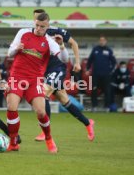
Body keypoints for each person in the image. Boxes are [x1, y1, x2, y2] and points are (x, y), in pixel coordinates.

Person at [5, 12, 70, 153]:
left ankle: (48, 138)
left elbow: (65, 59)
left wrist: (62, 45)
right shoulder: (23, 32)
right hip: (17, 76)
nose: (39, 29)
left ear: (48, 26)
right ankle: (13, 142)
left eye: (42, 26)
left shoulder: (50, 42)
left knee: (41, 112)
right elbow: (9, 53)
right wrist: (17, 49)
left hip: (35, 79)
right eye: (37, 25)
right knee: (12, 106)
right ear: (34, 22)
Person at [33, 9, 95, 142]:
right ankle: (88, 123)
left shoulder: (56, 32)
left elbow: (73, 43)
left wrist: (77, 62)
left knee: (44, 94)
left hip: (57, 68)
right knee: (64, 100)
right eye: (35, 22)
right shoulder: (31, 34)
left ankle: (45, 132)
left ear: (47, 23)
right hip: (44, 71)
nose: (38, 26)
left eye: (41, 23)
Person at [86, 35, 116, 112]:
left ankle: (107, 107)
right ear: (99, 41)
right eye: (101, 40)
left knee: (107, 91)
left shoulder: (109, 50)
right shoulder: (95, 49)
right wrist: (87, 69)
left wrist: (110, 71)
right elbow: (90, 60)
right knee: (94, 90)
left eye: (103, 40)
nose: (102, 41)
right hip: (95, 74)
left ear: (106, 41)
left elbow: (114, 62)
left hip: (106, 75)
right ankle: (94, 107)